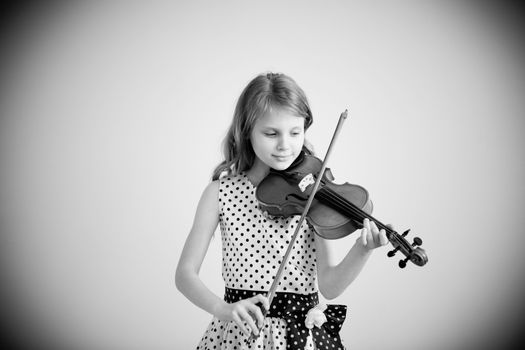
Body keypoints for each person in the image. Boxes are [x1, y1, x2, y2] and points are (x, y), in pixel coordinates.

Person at [175, 72, 389, 350]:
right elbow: (185, 274)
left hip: (302, 336)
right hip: (240, 334)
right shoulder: (219, 193)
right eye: (271, 133)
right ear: (246, 130)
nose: (284, 145)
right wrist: (222, 309)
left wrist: (363, 250)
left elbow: (330, 286)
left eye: (295, 132)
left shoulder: (313, 195)